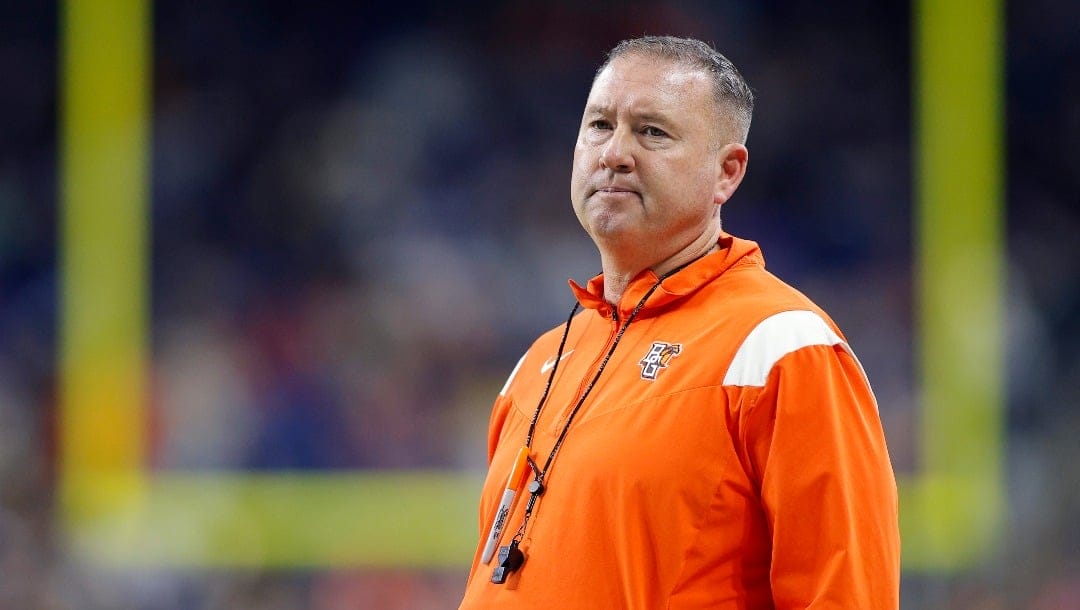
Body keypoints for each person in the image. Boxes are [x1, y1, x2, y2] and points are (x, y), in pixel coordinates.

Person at [458, 35, 900, 609]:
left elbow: (845, 595)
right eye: (599, 125)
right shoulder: (538, 365)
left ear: (727, 173)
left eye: (652, 132)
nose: (614, 153)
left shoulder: (781, 348)